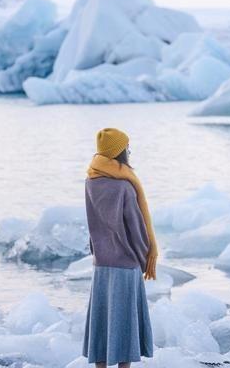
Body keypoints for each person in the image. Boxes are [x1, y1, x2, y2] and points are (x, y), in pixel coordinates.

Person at [82, 128, 158, 368]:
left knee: (103, 322)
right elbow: (136, 228)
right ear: (119, 152)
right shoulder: (124, 186)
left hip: (102, 263)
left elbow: (92, 220)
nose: (129, 151)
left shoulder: (91, 181)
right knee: (124, 323)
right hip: (125, 264)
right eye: (126, 147)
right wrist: (146, 256)